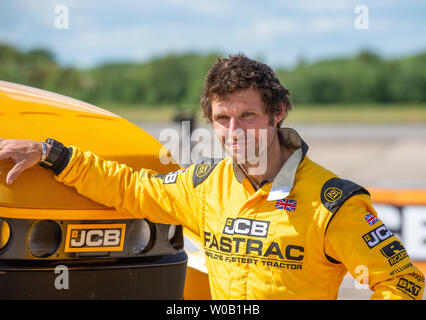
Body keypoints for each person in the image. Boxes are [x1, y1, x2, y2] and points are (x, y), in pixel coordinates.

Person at [0, 54, 424, 300]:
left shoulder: (334, 202)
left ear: (277, 114)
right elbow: (128, 188)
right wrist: (51, 153)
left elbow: (402, 284)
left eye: (248, 116)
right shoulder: (204, 184)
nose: (234, 133)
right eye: (222, 119)